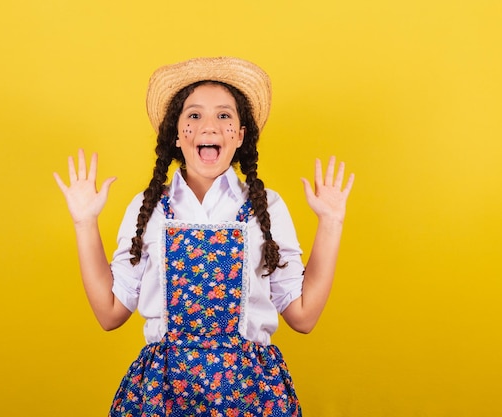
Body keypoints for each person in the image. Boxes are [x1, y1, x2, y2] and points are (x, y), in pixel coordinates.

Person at [54, 57, 354, 417]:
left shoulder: (267, 208)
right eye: (193, 116)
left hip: (249, 393)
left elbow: (303, 317)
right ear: (177, 135)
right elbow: (109, 313)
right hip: (165, 393)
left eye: (224, 116)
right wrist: (85, 222)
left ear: (240, 135)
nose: (209, 125)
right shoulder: (149, 209)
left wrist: (331, 223)